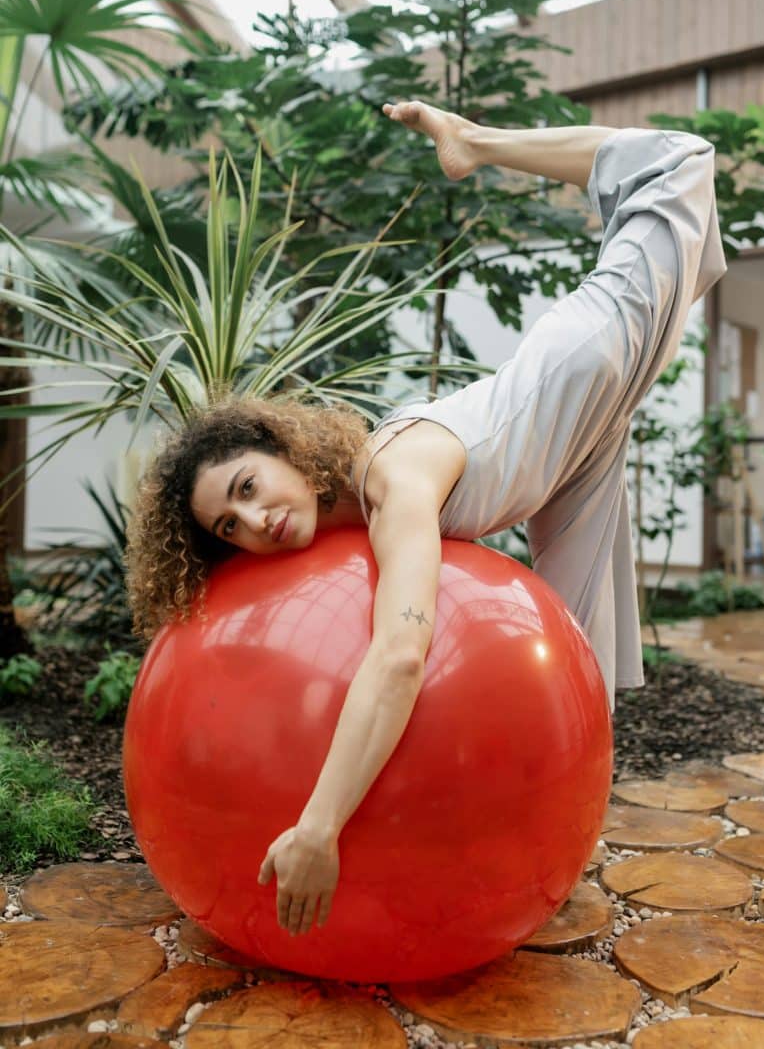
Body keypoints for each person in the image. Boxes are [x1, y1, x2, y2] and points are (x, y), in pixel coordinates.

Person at [126, 103, 726, 941]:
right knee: (578, 661)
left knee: (679, 163)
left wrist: (320, 825)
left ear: (290, 453)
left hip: (581, 362)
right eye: (229, 526)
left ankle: (474, 141)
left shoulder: (396, 481)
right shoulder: (353, 511)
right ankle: (533, 845)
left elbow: (402, 654)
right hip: (573, 458)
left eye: (251, 486)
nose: (256, 520)